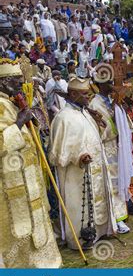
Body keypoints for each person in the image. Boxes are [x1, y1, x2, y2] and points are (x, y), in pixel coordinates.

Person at [0, 59, 62, 268]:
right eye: (15, 81)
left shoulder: (10, 103)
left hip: (28, 178)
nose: (21, 84)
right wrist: (18, 123)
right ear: (2, 82)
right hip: (10, 183)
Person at [49, 77, 117, 249]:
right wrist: (78, 156)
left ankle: (100, 231)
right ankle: (80, 237)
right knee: (80, 205)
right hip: (76, 173)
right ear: (73, 94)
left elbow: (96, 137)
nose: (89, 97)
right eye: (85, 94)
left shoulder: (85, 112)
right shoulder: (63, 118)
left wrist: (98, 122)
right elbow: (57, 153)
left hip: (96, 167)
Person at [88, 77, 132, 234]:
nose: (112, 86)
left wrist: (120, 110)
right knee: (110, 184)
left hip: (116, 146)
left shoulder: (110, 100)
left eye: (113, 82)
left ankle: (121, 216)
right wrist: (114, 119)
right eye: (108, 83)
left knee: (117, 181)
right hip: (106, 148)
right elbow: (98, 129)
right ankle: (115, 220)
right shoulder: (94, 104)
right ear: (100, 84)